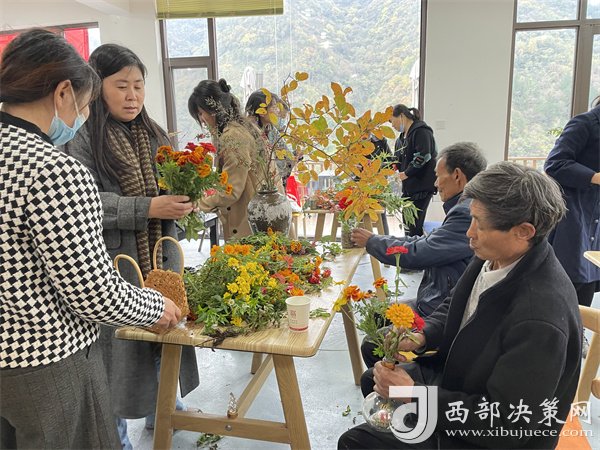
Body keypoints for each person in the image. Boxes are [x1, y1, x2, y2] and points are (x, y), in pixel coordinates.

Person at [0, 29, 182, 449]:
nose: (82, 114)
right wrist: (154, 306)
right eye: (84, 103)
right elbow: (90, 291)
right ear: (63, 92)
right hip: (45, 360)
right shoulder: (54, 169)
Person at [340, 162, 582, 449]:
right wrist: (422, 335)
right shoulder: (497, 255)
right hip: (463, 379)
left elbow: (508, 424)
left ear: (524, 231)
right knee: (373, 378)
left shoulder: (539, 317)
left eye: (479, 224)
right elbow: (455, 303)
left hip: (492, 436)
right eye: (471, 219)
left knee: (355, 442)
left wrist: (416, 395)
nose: (469, 232)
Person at [62, 43, 199, 448]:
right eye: (121, 86)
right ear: (96, 86)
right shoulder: (82, 136)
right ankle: (116, 436)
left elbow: (169, 184)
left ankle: (165, 410)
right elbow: (84, 203)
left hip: (158, 256)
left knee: (164, 331)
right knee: (115, 358)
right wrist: (147, 207)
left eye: (138, 85)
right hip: (114, 264)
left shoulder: (152, 132)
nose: (132, 95)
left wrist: (185, 197)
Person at [352, 142, 487, 372]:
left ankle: (398, 381)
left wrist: (373, 242)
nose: (435, 184)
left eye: (438, 176)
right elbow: (424, 242)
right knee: (376, 315)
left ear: (457, 176)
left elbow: (420, 253)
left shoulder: (466, 213)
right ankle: (393, 374)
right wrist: (378, 240)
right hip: (435, 297)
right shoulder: (462, 208)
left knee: (372, 343)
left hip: (439, 307)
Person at [188, 79, 281, 240]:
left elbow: (230, 191)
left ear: (214, 110)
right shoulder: (243, 126)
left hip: (252, 225)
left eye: (201, 113)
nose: (202, 120)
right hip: (267, 215)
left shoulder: (233, 136)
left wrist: (197, 203)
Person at [544, 96, 600, 309]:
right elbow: (555, 164)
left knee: (587, 287)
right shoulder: (585, 123)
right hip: (574, 215)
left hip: (595, 218)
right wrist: (595, 177)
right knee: (567, 283)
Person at [391, 104, 437, 237]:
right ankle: (410, 247)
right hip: (409, 188)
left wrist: (406, 173)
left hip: (422, 186)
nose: (392, 125)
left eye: (392, 121)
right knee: (408, 225)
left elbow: (424, 156)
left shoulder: (421, 131)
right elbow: (396, 160)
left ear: (401, 116)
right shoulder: (401, 139)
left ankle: (416, 248)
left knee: (414, 226)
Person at [245, 89, 296, 188]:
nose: (278, 111)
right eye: (274, 107)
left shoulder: (271, 129)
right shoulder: (247, 133)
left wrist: (294, 157)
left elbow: (286, 156)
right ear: (262, 111)